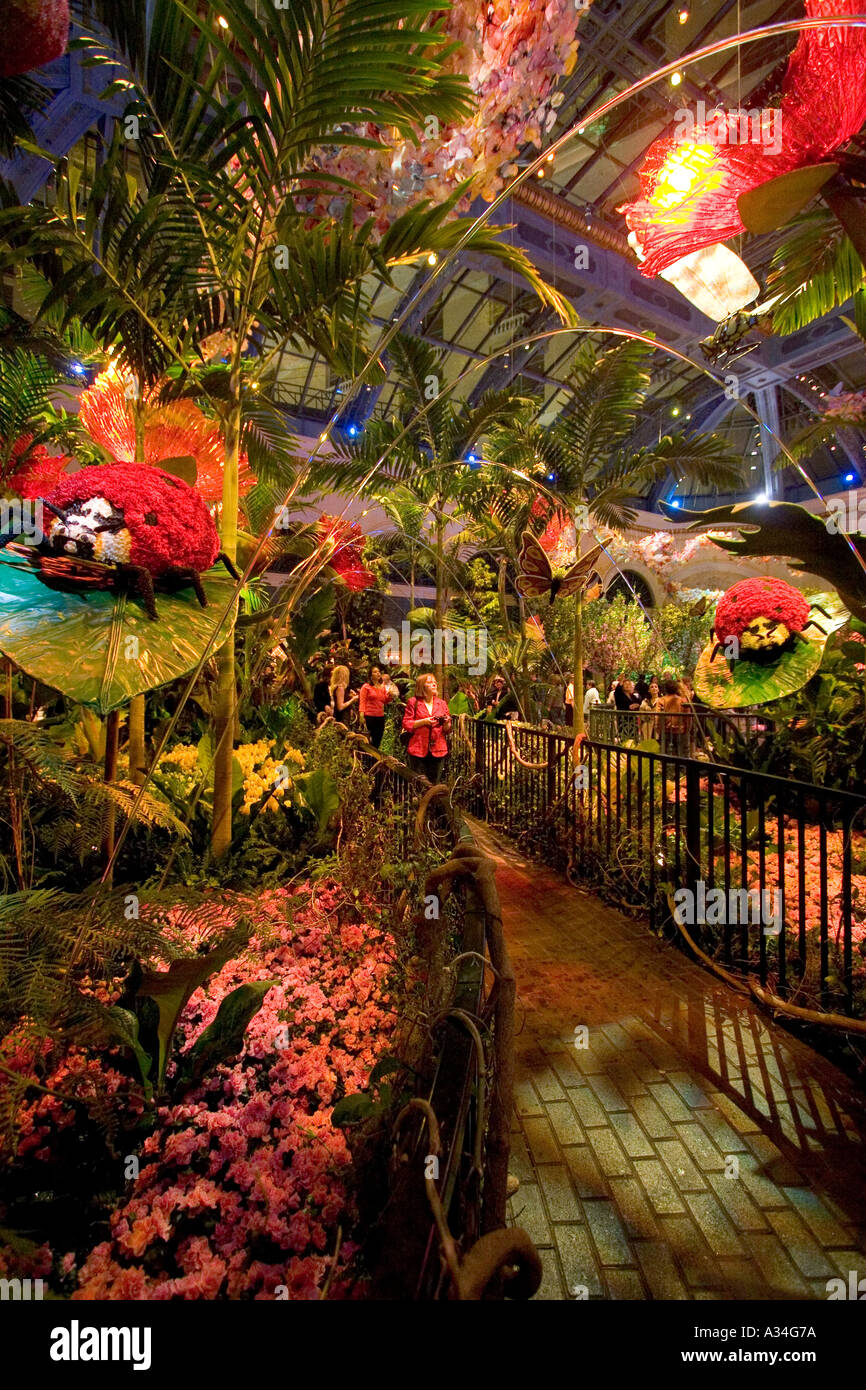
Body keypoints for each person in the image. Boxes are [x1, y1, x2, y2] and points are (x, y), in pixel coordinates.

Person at [402, 673, 452, 782]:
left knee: (434, 784)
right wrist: (424, 722)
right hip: (418, 749)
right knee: (419, 783)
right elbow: (406, 723)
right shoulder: (413, 702)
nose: (434, 684)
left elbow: (447, 729)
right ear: (422, 686)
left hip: (438, 749)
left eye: (435, 682)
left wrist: (446, 724)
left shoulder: (442, 703)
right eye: (429, 682)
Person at [358, 665, 397, 748]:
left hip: (380, 717)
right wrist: (361, 715)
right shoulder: (366, 687)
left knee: (377, 739)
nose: (378, 673)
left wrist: (390, 696)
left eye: (378, 671)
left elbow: (384, 700)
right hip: (369, 716)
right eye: (375, 672)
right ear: (370, 675)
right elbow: (362, 702)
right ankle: (366, 755)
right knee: (368, 740)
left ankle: (374, 755)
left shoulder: (382, 687)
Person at [660, 677, 687, 757]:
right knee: (680, 754)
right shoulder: (682, 700)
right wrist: (688, 728)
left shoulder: (661, 700)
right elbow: (688, 717)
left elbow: (658, 716)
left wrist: (658, 728)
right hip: (680, 730)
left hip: (667, 730)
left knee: (666, 754)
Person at [639, 677, 662, 741]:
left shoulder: (662, 700)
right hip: (647, 725)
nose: (654, 688)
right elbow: (641, 713)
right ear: (649, 690)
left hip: (658, 726)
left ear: (658, 689)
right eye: (652, 687)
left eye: (656, 687)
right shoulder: (645, 701)